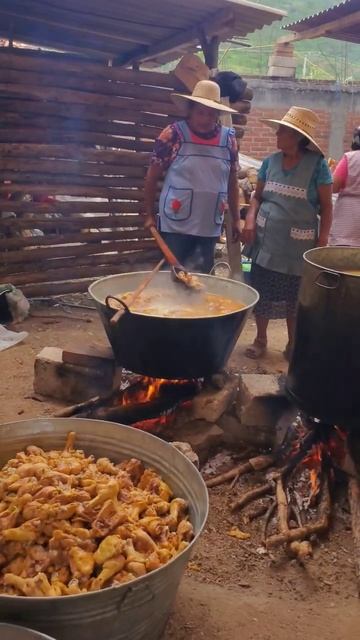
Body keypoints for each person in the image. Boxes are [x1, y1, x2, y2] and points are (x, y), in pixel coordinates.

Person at [242, 106, 333, 360]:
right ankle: (260, 340)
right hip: (265, 240)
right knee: (263, 290)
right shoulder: (270, 162)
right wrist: (250, 220)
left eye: (282, 131)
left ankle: (293, 344)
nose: (277, 134)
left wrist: (322, 242)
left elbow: (326, 208)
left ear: (296, 136)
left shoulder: (317, 166)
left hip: (298, 246)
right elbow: (257, 198)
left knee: (294, 296)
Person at [143, 80, 241, 274]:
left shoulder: (228, 139)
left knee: (201, 278)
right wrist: (148, 214)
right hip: (175, 224)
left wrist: (236, 218)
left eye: (211, 114)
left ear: (217, 115)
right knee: (174, 277)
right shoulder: (173, 134)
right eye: (200, 112)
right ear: (190, 110)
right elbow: (152, 176)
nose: (205, 119)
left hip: (209, 223)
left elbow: (232, 180)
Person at [329, 126, 360, 246]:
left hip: (347, 216)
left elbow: (334, 187)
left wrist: (331, 172)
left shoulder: (350, 158)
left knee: (342, 258)